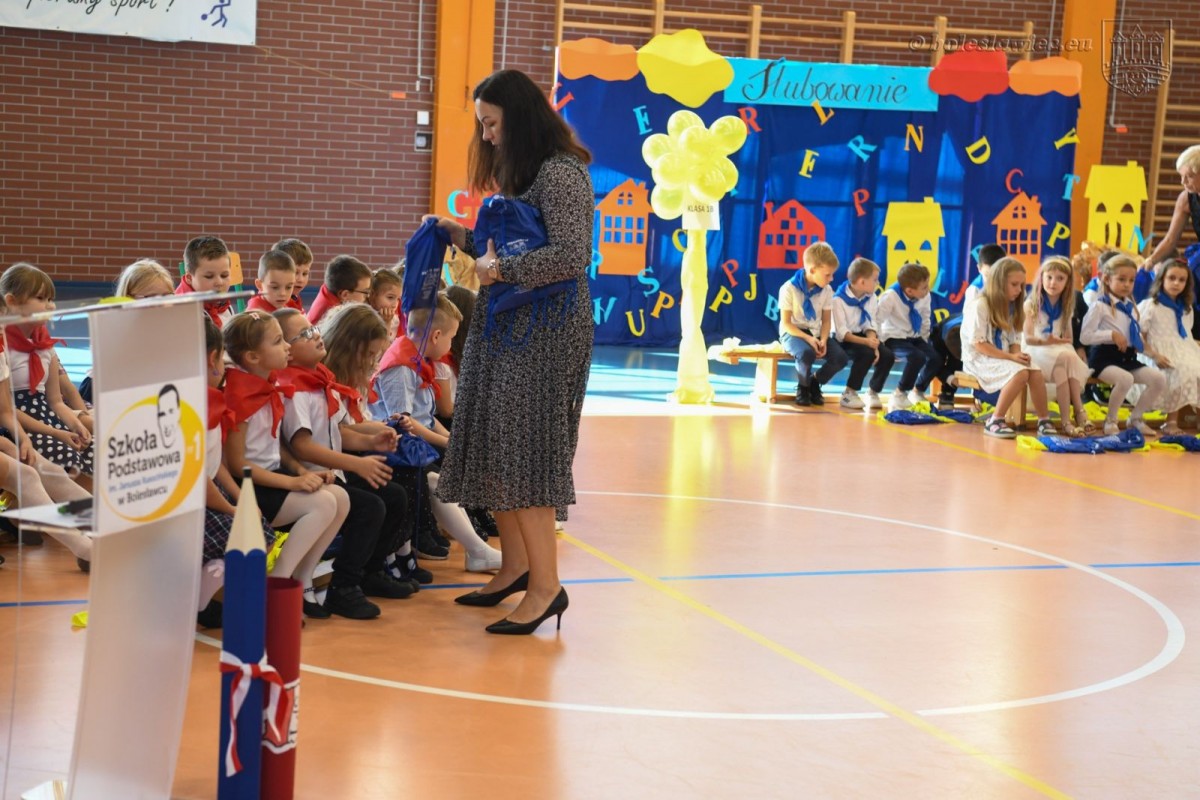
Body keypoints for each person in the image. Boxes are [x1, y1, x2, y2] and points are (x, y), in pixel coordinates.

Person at [422, 68, 593, 634]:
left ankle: (547, 587)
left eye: (491, 123)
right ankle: (516, 568)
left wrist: (499, 267)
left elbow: (570, 256)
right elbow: (511, 246)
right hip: (509, 324)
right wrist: (458, 235)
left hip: (545, 332)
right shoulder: (524, 174)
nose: (487, 136)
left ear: (518, 118)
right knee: (497, 443)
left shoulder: (563, 174)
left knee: (526, 452)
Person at [274, 308, 415, 617]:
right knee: (370, 507)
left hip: (331, 473)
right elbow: (302, 445)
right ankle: (344, 586)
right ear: (286, 350)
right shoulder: (296, 388)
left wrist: (370, 441)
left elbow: (337, 431)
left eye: (312, 328)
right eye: (305, 334)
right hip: (311, 476)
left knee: (393, 495)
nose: (315, 335)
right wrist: (356, 464)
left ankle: (369, 571)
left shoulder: (318, 380)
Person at [221, 311, 350, 619]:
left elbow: (276, 444)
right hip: (250, 485)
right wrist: (292, 483)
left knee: (340, 498)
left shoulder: (267, 384)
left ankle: (302, 578)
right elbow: (238, 465)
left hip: (272, 475)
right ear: (253, 356)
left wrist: (302, 471)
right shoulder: (241, 395)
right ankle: (277, 583)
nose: (287, 348)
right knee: (320, 505)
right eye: (278, 341)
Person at [369, 294, 502, 573]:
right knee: (434, 479)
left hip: (417, 440)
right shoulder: (400, 368)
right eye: (452, 337)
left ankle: (476, 536)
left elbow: (427, 418)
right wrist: (446, 443)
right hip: (394, 446)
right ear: (437, 335)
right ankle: (477, 549)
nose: (451, 344)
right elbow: (403, 424)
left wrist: (452, 440)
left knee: (457, 459)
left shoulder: (418, 360)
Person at [320, 304, 430, 587]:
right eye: (368, 354)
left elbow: (354, 422)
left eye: (376, 355)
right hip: (332, 464)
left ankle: (377, 565)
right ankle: (349, 581)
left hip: (345, 457)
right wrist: (373, 438)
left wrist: (382, 430)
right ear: (347, 346)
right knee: (381, 499)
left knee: (402, 487)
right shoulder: (323, 381)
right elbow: (334, 434)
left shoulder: (352, 376)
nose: (372, 361)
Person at [198, 317, 277, 628]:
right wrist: (232, 508)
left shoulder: (209, 400)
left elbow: (215, 463)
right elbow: (197, 477)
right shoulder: (195, 409)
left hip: (205, 494)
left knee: (259, 530)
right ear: (213, 360)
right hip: (189, 507)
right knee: (254, 535)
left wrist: (240, 496)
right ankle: (202, 598)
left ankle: (209, 595)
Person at [1, 263, 94, 486]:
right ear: (12, 302)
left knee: (93, 450)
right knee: (68, 459)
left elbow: (55, 400)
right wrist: (56, 432)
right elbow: (6, 410)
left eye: (51, 299)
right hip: (18, 424)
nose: (50, 306)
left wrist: (75, 424)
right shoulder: (4, 347)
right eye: (41, 299)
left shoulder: (45, 346)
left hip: (46, 417)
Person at [961, 257, 1053, 438]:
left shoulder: (1011, 307)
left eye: (1021, 285)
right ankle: (995, 419)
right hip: (979, 359)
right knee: (1020, 373)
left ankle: (1044, 419)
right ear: (998, 283)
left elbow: (1014, 340)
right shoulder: (980, 305)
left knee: (1034, 370)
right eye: (1014, 285)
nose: (1019, 290)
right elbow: (979, 344)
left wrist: (1018, 356)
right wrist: (1012, 359)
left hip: (999, 356)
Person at [1080, 255, 1166, 436]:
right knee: (1125, 379)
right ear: (1107, 279)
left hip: (1126, 358)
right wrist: (1110, 334)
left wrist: (1154, 356)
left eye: (1131, 280)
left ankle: (1135, 418)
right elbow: (1085, 337)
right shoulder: (1099, 306)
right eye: (1121, 279)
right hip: (1103, 358)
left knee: (1158, 379)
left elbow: (1136, 338)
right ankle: (1111, 420)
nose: (1127, 284)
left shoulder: (1130, 307)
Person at [1022, 257, 1093, 435]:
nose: (1053, 282)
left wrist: (1061, 341)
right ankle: (1079, 412)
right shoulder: (1031, 304)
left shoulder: (1066, 306)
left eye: (1060, 278)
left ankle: (1066, 421)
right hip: (1036, 349)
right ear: (1041, 278)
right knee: (1067, 358)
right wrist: (1048, 342)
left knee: (1063, 366)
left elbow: (1068, 337)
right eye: (1049, 277)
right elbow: (1028, 338)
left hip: (1057, 349)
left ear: (1068, 283)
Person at [1137, 259, 1200, 435]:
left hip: (1183, 348)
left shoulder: (1186, 308)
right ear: (1161, 279)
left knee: (1194, 366)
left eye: (1181, 280)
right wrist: (1154, 355)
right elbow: (1138, 337)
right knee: (1179, 369)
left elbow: (1186, 336)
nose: (1176, 283)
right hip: (1154, 350)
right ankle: (1170, 422)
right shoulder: (1151, 305)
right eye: (1171, 278)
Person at [778, 242, 844, 406]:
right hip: (794, 332)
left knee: (840, 358)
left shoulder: (827, 290)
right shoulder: (788, 288)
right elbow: (786, 324)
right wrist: (808, 339)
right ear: (812, 270)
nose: (831, 279)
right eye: (828, 275)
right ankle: (803, 387)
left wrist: (823, 339)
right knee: (807, 353)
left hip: (815, 332)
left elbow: (826, 321)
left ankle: (815, 381)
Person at [876, 263, 944, 411]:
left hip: (914, 336)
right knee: (916, 356)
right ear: (909, 291)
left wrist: (925, 340)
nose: (928, 290)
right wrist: (878, 344)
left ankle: (917, 390)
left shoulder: (924, 296)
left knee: (935, 358)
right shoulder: (890, 297)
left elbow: (926, 317)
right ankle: (899, 393)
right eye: (924, 287)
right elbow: (877, 320)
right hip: (893, 336)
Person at [830, 258, 890, 410]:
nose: (878, 284)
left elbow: (870, 324)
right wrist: (867, 344)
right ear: (862, 282)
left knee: (887, 355)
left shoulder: (871, 297)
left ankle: (873, 391)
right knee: (866, 353)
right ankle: (849, 393)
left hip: (863, 337)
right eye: (875, 280)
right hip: (844, 340)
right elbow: (842, 334)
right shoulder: (838, 300)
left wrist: (874, 345)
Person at [175, 236, 235, 326]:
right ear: (189, 278)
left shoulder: (223, 303)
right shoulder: (181, 312)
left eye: (224, 275)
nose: (219, 282)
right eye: (209, 276)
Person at [306, 255, 372, 326]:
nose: (367, 297)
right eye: (365, 292)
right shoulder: (334, 317)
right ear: (345, 295)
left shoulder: (328, 290)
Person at [273, 238, 313, 311]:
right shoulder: (276, 303)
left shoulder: (294, 298)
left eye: (305, 274)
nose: (301, 279)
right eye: (295, 272)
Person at [367, 267, 404, 342]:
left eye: (398, 299)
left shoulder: (394, 320)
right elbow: (379, 348)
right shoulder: (364, 316)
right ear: (372, 295)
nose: (395, 305)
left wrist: (388, 322)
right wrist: (386, 323)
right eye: (390, 297)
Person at [963, 243, 1005, 307]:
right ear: (979, 269)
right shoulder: (974, 291)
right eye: (987, 275)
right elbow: (970, 315)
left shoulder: (1014, 283)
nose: (993, 279)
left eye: (997, 274)